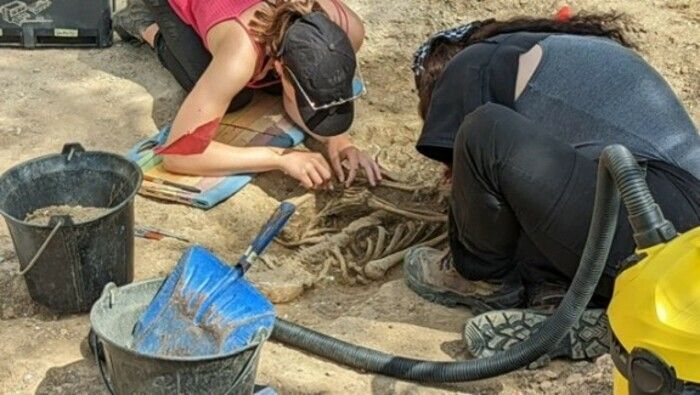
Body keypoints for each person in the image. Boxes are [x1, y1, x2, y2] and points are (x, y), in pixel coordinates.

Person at [403, 12, 700, 361]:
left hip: (650, 221)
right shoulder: (566, 55)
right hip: (676, 249)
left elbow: (472, 150)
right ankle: (581, 310)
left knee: (484, 131)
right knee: (522, 215)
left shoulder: (475, 60)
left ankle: (482, 281)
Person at [113, 0, 381, 189]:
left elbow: (308, 82)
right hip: (202, 10)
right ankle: (144, 24)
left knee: (259, 84)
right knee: (229, 94)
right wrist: (278, 159)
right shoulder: (241, 52)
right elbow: (179, 153)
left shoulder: (349, 28)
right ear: (279, 66)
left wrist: (340, 142)